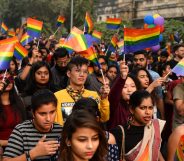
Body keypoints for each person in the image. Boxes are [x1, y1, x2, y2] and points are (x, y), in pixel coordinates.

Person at [3, 89, 62, 161]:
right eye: (42, 114)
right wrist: (33, 153)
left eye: (52, 112)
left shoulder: (61, 131)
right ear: (33, 113)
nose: (48, 119)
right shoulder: (21, 130)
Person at [111, 90, 166, 161]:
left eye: (150, 108)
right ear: (131, 109)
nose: (148, 112)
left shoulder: (154, 127)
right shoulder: (120, 133)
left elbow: (155, 150)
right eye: (142, 108)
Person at [54, 56, 110, 126]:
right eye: (77, 71)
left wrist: (104, 99)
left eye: (85, 72)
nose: (82, 75)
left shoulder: (94, 95)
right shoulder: (57, 96)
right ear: (68, 73)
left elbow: (104, 118)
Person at [132, 50, 165, 119]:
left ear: (147, 61)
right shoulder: (129, 76)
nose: (138, 62)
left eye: (141, 60)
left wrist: (162, 117)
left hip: (153, 115)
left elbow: (159, 99)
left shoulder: (154, 76)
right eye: (135, 60)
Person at [107, 61, 140, 130]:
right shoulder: (116, 106)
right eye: (124, 87)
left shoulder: (139, 106)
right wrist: (122, 77)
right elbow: (113, 95)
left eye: (133, 86)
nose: (129, 90)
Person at [0, 71, 26, 152]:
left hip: (19, 148)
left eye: (9, 78)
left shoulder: (19, 102)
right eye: (2, 78)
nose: (6, 81)